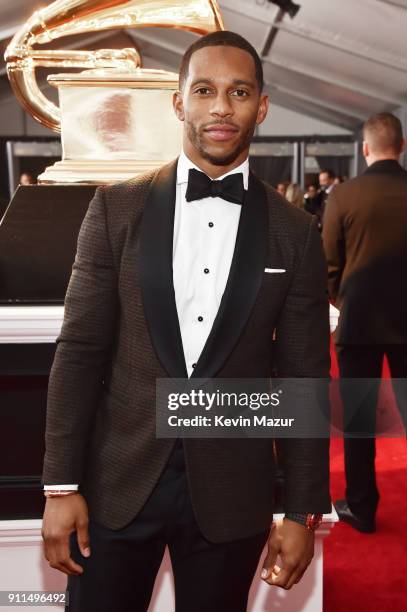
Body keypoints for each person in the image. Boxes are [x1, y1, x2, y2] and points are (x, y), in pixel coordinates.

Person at [41, 30, 331, 611]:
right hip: (117, 484)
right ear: (179, 103)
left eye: (239, 92)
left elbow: (303, 379)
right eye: (204, 90)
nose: (221, 106)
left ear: (262, 107)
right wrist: (61, 485)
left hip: (233, 494)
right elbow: (79, 352)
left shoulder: (295, 231)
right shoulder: (115, 208)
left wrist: (302, 510)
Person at [322, 112, 407, 534]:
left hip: (360, 322)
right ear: (403, 146)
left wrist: (342, 297)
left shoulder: (344, 195)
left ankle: (361, 506)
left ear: (366, 148)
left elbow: (329, 262)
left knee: (358, 422)